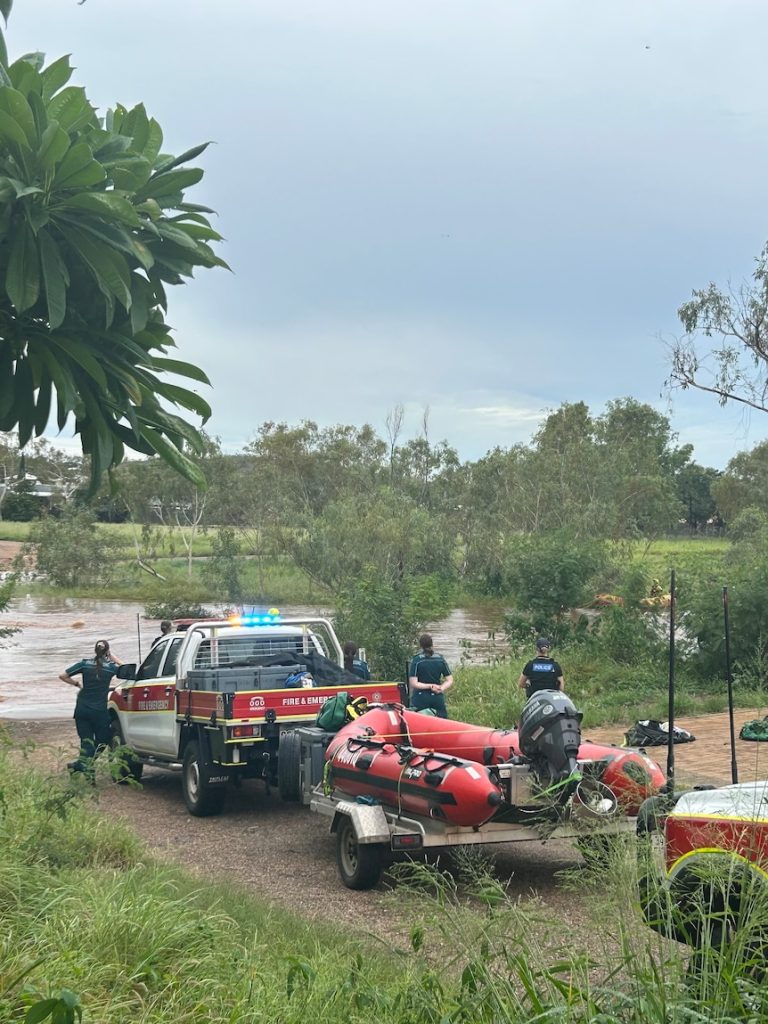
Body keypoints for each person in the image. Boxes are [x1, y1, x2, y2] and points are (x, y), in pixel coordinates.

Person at [59, 640, 122, 775]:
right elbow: (128, 670)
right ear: (107, 652)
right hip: (99, 711)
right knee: (104, 738)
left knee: (86, 741)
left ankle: (79, 766)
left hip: (82, 709)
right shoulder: (110, 668)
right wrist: (114, 658)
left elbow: (62, 676)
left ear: (95, 651)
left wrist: (77, 684)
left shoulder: (85, 664)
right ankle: (84, 766)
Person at [408, 633, 453, 718]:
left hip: (420, 697)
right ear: (432, 644)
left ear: (420, 645)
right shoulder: (440, 659)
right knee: (443, 722)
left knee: (417, 720)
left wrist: (430, 686)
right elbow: (450, 680)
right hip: (437, 696)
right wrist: (441, 688)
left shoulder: (417, 660)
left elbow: (414, 683)